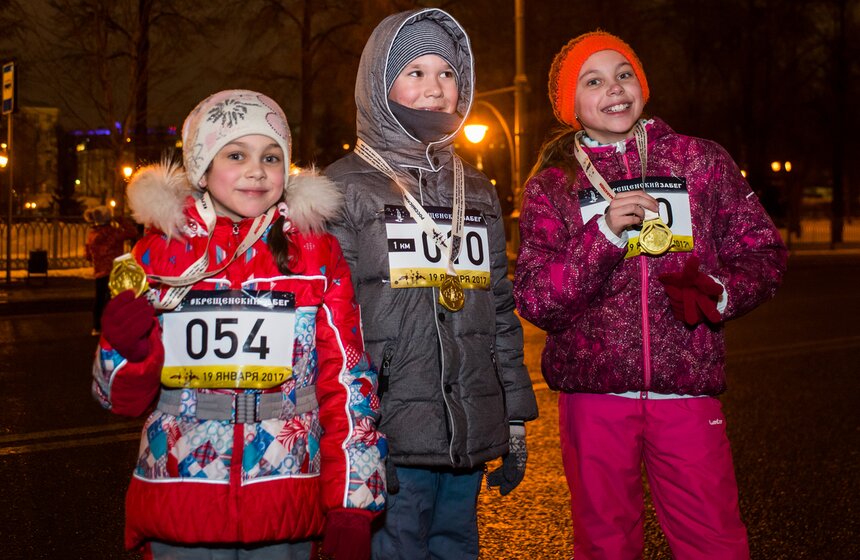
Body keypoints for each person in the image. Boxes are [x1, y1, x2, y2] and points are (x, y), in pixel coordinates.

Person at [514, 31, 788, 559]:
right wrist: (605, 238)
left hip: (685, 387)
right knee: (605, 544)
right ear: (570, 105)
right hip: (594, 395)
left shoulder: (699, 161)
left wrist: (722, 295)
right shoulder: (553, 186)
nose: (613, 89)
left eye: (623, 74)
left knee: (715, 542)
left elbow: (764, 253)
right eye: (592, 81)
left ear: (642, 83)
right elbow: (537, 300)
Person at [90, 90, 386, 560]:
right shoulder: (159, 254)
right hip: (179, 496)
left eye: (271, 156)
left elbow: (347, 382)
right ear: (201, 168)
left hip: (287, 500)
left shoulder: (315, 254)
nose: (256, 170)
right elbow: (117, 398)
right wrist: (127, 348)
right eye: (235, 154)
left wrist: (353, 500)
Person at [325, 9, 538, 560]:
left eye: (447, 73)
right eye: (414, 71)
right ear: (379, 82)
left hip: (466, 426)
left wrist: (512, 415)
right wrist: (348, 424)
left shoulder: (478, 189)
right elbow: (332, 321)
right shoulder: (343, 188)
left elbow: (498, 309)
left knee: (456, 547)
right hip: (390, 428)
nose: (434, 87)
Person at [83, 205, 138, 335]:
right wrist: (119, 218)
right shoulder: (114, 233)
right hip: (115, 270)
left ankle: (96, 327)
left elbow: (87, 255)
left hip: (100, 272)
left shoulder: (92, 235)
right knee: (116, 298)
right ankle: (116, 324)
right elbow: (132, 232)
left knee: (99, 299)